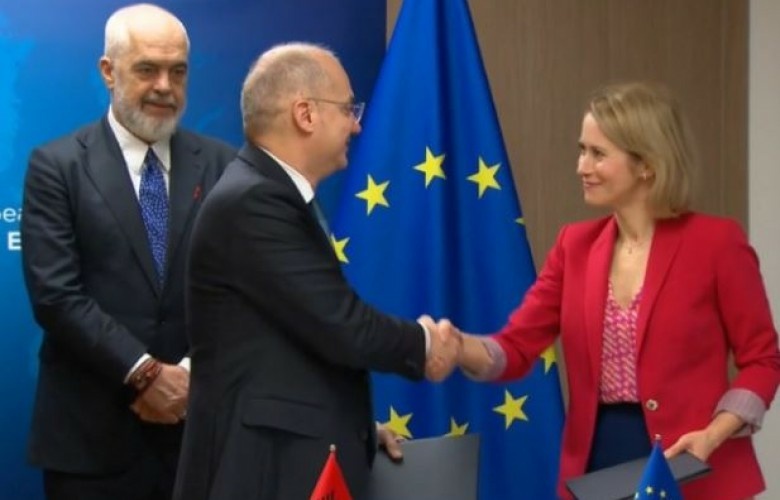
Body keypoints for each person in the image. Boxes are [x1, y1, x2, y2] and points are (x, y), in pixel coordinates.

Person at [451, 82, 780, 499]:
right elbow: (516, 347)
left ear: (647, 165)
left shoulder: (716, 243)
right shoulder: (574, 246)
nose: (581, 166)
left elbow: (763, 360)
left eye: (598, 153)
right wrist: (456, 346)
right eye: (581, 150)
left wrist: (714, 434)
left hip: (693, 464)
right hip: (599, 463)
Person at [172, 42, 459, 500]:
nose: (357, 125)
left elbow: (288, 350)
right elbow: (341, 324)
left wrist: (354, 428)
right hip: (260, 473)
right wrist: (425, 344)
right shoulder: (255, 200)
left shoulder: (267, 193)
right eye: (348, 109)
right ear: (305, 114)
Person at [20, 4, 235, 499]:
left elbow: (241, 288)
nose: (164, 86)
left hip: (197, 435)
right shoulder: (57, 166)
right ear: (108, 71)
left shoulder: (223, 164)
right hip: (91, 443)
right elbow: (56, 295)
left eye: (177, 72)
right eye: (147, 69)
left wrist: (187, 376)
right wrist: (144, 374)